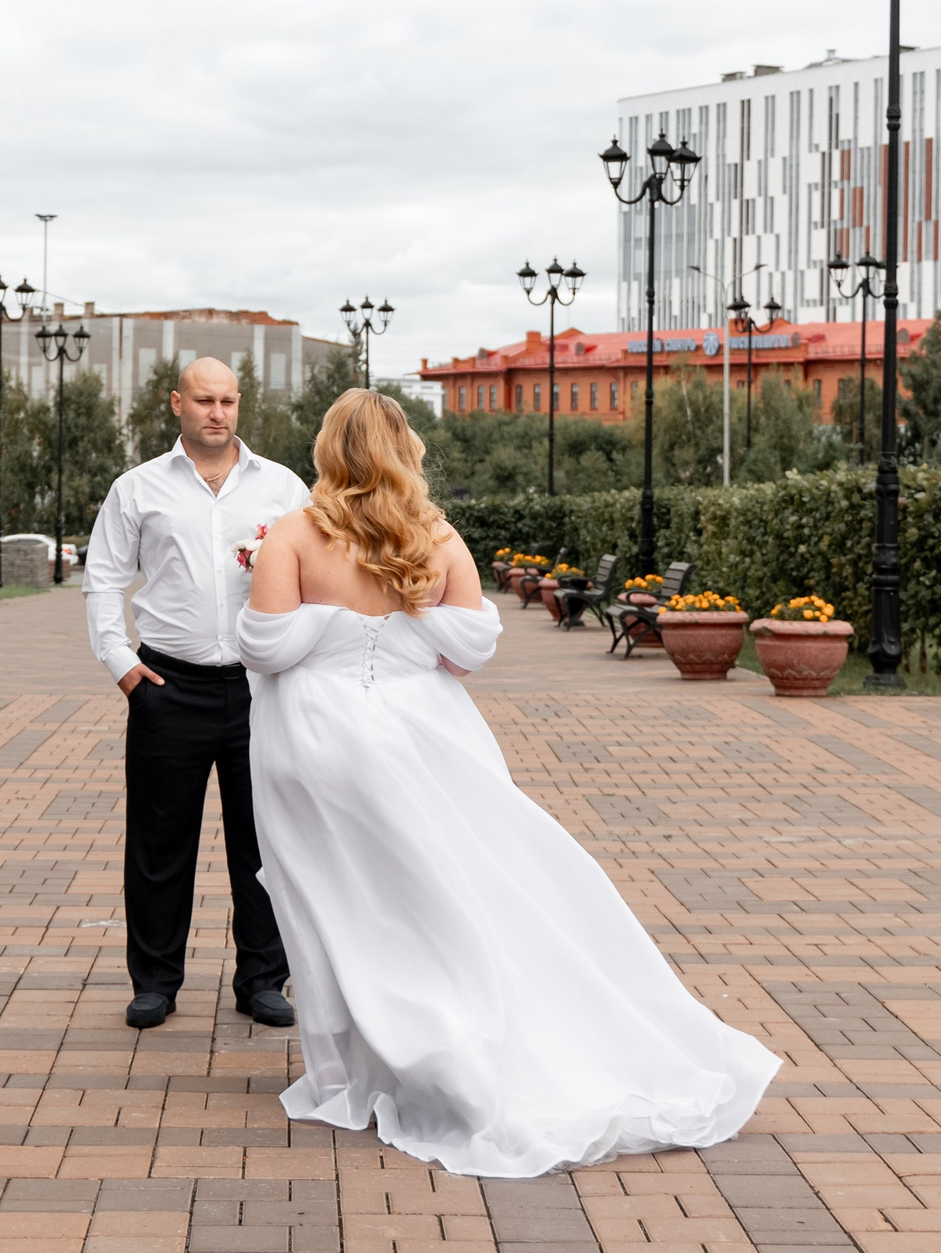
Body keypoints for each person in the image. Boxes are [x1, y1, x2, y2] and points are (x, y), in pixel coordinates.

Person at [238, 389, 780, 1177]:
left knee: (333, 906)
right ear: (404, 449)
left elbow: (264, 648)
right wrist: (403, 624)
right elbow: (466, 652)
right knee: (450, 894)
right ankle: (469, 1036)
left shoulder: (292, 534)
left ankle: (349, 1075)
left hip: (315, 745)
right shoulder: (436, 536)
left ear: (327, 450)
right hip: (425, 737)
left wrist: (326, 623)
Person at [84, 356, 309, 1030]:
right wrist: (122, 664)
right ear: (176, 402)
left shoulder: (283, 487)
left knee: (265, 840)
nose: (218, 412)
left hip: (260, 688)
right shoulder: (138, 488)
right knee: (159, 842)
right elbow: (103, 577)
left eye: (229, 400)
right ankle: (154, 980)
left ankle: (263, 978)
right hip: (166, 686)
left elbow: (315, 575)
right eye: (205, 399)